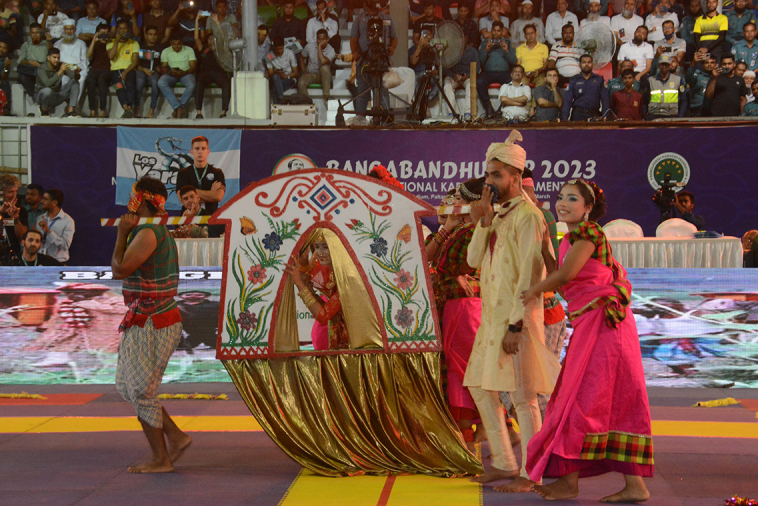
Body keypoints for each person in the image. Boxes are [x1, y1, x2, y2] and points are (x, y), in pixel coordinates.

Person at [523, 179, 654, 502]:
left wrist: (531, 291)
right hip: (596, 326)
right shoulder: (571, 237)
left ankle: (575, 483)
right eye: (560, 197)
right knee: (595, 399)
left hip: (604, 327)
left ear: (588, 207)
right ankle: (631, 486)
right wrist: (543, 248)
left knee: (582, 399)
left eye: (572, 199)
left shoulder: (588, 234)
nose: (563, 203)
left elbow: (565, 277)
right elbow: (567, 278)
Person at [463, 131, 560, 493]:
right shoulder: (497, 214)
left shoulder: (528, 217)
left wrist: (516, 325)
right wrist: (484, 220)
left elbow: (532, 274)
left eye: (497, 176)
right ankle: (504, 462)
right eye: (488, 176)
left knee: (523, 396)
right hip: (490, 319)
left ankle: (531, 471)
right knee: (478, 386)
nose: (489, 182)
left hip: (516, 320)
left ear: (517, 179)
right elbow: (473, 260)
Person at [112, 176, 192, 474]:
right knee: (127, 386)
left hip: (153, 320)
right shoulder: (154, 230)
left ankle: (162, 458)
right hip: (147, 317)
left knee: (141, 391)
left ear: (141, 199)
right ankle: (176, 437)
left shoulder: (147, 233)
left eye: (133, 197)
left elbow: (120, 269)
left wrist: (122, 234)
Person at [423, 178, 483, 449]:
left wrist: (457, 272)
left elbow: (437, 263)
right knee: (465, 365)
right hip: (459, 305)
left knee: (461, 366)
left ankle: (469, 434)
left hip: (463, 306)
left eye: (457, 199)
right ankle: (482, 427)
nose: (451, 203)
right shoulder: (465, 230)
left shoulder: (471, 231)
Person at [284, 228, 349, 350]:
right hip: (334, 337)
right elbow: (328, 312)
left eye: (325, 247)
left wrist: (299, 283)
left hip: (349, 344)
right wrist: (311, 291)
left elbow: (323, 317)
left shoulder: (347, 279)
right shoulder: (331, 270)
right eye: (317, 246)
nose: (319, 252)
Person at [349, 0, 398, 117]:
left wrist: (392, 47)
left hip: (381, 61)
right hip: (364, 61)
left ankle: (386, 121)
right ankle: (359, 120)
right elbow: (353, 39)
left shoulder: (388, 19)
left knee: (383, 92)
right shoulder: (359, 19)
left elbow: (394, 38)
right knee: (362, 92)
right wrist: (355, 52)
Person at [175, 135, 226, 214]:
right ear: (191, 152)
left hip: (210, 217)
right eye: (197, 148)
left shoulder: (217, 173)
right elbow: (183, 200)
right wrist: (211, 193)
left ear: (208, 151)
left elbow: (218, 197)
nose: (200, 151)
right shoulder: (183, 173)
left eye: (203, 148)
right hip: (189, 217)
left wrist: (191, 194)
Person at [476, 21, 517, 118]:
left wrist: (506, 50)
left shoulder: (507, 42)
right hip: (488, 73)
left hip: (504, 73)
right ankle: (488, 108)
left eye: (499, 31)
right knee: (479, 81)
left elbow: (514, 61)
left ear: (502, 32)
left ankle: (501, 109)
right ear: (491, 31)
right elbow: (480, 62)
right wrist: (486, 49)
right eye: (494, 30)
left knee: (512, 81)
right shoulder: (485, 43)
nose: (496, 33)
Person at [194, 14, 230, 119]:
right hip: (206, 74)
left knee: (226, 84)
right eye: (209, 38)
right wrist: (197, 20)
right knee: (199, 81)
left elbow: (223, 37)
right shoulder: (204, 49)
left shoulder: (220, 49)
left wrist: (217, 22)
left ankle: (223, 112)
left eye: (213, 38)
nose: (211, 39)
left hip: (219, 74)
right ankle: (199, 112)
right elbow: (196, 37)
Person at [158, 31, 196, 119]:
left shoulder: (189, 50)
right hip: (171, 74)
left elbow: (193, 66)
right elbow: (163, 67)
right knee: (161, 82)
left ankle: (181, 107)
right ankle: (177, 107)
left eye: (178, 44)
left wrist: (184, 72)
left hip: (185, 74)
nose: (176, 46)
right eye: (174, 44)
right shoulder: (166, 51)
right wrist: (170, 71)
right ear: (171, 43)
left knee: (192, 84)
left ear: (182, 42)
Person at [107, 18, 139, 118]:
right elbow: (111, 57)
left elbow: (135, 62)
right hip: (115, 70)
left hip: (129, 69)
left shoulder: (134, 43)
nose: (123, 31)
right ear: (117, 30)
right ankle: (127, 109)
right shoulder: (111, 42)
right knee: (119, 87)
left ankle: (127, 110)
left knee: (130, 86)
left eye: (125, 28)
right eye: (120, 28)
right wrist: (116, 41)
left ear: (128, 30)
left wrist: (125, 72)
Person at [35, 47, 81, 116]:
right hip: (42, 96)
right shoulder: (41, 68)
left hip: (56, 94)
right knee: (47, 91)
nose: (57, 60)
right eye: (54, 57)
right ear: (48, 58)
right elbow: (47, 83)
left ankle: (70, 111)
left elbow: (75, 78)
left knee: (74, 82)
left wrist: (76, 73)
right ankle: (44, 110)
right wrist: (60, 71)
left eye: (58, 58)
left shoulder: (60, 65)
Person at [442, 32, 479, 117]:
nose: (461, 40)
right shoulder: (450, 51)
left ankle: (468, 113)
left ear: (466, 39)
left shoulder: (473, 51)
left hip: (467, 77)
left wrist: (467, 76)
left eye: (463, 38)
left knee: (471, 84)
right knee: (447, 84)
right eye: (459, 38)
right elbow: (445, 67)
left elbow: (477, 69)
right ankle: (451, 113)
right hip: (454, 77)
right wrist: (453, 75)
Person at [562, 54, 609, 120]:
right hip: (577, 115)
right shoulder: (574, 80)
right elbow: (567, 101)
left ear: (592, 64)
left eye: (589, 62)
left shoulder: (599, 80)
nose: (586, 64)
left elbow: (605, 100)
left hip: (595, 115)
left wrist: (605, 116)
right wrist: (565, 118)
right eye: (584, 62)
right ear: (580, 64)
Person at [36, 188, 74, 264]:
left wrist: (48, 232)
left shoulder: (68, 221)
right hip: (40, 261)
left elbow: (65, 245)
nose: (41, 201)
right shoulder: (40, 218)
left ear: (54, 202)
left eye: (45, 199)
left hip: (58, 263)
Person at [54, 19, 88, 103]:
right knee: (64, 80)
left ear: (75, 30)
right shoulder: (57, 44)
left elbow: (85, 60)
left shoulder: (81, 43)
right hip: (64, 70)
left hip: (78, 69)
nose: (69, 31)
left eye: (71, 29)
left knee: (81, 78)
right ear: (64, 30)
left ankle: (73, 105)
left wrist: (79, 68)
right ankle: (69, 104)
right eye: (67, 29)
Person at [17, 23, 53, 100]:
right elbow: (20, 61)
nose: (35, 35)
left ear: (41, 33)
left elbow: (51, 56)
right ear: (30, 33)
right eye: (33, 33)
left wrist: (49, 42)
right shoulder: (26, 45)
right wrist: (29, 62)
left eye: (37, 33)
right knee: (22, 74)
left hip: (42, 68)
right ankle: (34, 95)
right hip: (30, 69)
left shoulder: (46, 44)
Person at [297, 28, 335, 101]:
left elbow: (323, 61)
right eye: (319, 39)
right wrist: (303, 70)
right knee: (301, 82)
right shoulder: (309, 46)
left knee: (325, 68)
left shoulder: (331, 50)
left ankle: (326, 96)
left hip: (323, 77)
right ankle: (306, 102)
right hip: (310, 74)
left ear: (327, 39)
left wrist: (319, 47)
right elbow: (301, 58)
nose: (320, 41)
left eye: (323, 39)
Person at [135, 24, 164, 118]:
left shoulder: (161, 48)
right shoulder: (140, 46)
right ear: (146, 35)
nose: (153, 36)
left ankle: (151, 111)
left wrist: (160, 68)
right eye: (150, 34)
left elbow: (164, 65)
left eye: (155, 34)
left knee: (156, 83)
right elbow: (135, 64)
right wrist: (144, 69)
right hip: (142, 70)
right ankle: (137, 108)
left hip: (154, 72)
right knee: (139, 82)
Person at [645, 53, 687, 118]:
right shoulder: (651, 80)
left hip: (671, 116)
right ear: (659, 65)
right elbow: (645, 100)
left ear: (670, 65)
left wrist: (680, 117)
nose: (664, 67)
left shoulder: (678, 80)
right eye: (662, 64)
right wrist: (645, 115)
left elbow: (683, 100)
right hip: (654, 115)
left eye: (666, 65)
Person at [84, 22, 111, 117]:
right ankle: (92, 109)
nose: (104, 35)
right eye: (102, 33)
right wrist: (94, 40)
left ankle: (103, 110)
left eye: (106, 33)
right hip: (95, 68)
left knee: (101, 80)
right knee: (90, 80)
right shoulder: (95, 43)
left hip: (107, 69)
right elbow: (88, 55)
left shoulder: (111, 43)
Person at [265, 36, 299, 104]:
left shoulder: (289, 53)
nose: (279, 51)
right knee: (275, 77)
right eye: (277, 49)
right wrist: (276, 71)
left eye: (281, 48)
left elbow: (296, 73)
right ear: (274, 47)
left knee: (276, 88)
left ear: (284, 46)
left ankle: (278, 105)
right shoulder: (270, 55)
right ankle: (281, 98)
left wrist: (286, 76)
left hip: (289, 79)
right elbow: (271, 73)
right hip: (276, 78)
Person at [1, 174, 28, 257]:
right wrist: (1, 213)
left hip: (14, 255)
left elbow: (23, 237)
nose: (14, 195)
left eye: (16, 191)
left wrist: (15, 218)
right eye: (10, 192)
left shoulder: (20, 210)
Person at [686, 52, 715, 116]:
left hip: (713, 109)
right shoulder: (697, 75)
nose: (709, 65)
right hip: (698, 109)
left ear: (716, 64)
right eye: (706, 62)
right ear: (702, 64)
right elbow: (688, 79)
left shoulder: (719, 77)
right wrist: (693, 63)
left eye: (712, 62)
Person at [0, 40, 10, 115]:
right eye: (0, 47)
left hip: (1, 81)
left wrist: (6, 67)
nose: (1, 49)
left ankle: (6, 109)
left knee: (5, 84)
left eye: (4, 48)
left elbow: (4, 77)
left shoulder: (6, 61)